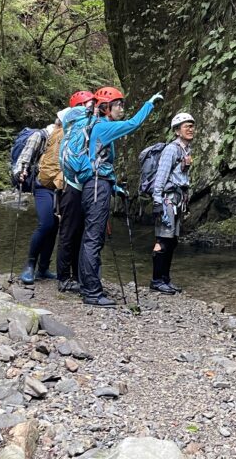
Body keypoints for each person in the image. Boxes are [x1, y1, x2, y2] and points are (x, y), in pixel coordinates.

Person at [78, 86, 162, 307]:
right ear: (106, 107)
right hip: (97, 187)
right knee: (94, 238)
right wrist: (149, 104)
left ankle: (87, 285)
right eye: (118, 105)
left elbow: (100, 162)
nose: (122, 109)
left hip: (97, 185)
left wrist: (114, 186)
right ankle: (91, 292)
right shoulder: (103, 127)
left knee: (91, 236)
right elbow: (132, 124)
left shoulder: (98, 127)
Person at [54, 90, 96, 293]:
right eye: (89, 104)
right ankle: (64, 277)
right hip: (72, 187)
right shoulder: (75, 126)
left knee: (76, 233)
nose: (92, 107)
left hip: (76, 187)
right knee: (70, 233)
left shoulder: (75, 127)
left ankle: (75, 276)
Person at [150, 112, 195, 295]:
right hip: (167, 199)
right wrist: (157, 201)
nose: (191, 129)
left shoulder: (186, 150)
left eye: (192, 126)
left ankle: (165, 279)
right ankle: (156, 280)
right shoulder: (171, 150)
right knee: (163, 240)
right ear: (177, 131)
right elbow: (161, 176)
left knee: (172, 240)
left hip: (177, 200)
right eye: (187, 126)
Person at [13, 121, 60, 285]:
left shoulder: (67, 138)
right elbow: (25, 157)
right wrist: (21, 172)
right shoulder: (40, 136)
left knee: (54, 227)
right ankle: (30, 266)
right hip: (41, 185)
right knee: (46, 224)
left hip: (58, 186)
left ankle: (43, 268)